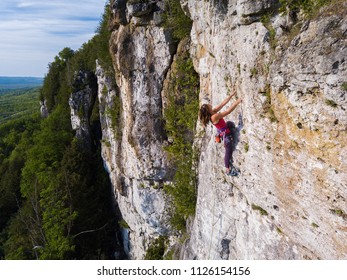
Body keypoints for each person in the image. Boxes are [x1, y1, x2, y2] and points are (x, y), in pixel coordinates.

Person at [199, 90, 242, 175]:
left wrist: (231, 95)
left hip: (224, 128)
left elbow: (223, 103)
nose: (210, 104)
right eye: (208, 105)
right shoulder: (214, 116)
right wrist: (237, 102)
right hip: (226, 135)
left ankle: (229, 129)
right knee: (228, 150)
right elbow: (228, 111)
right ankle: (227, 168)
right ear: (208, 109)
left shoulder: (213, 111)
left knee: (230, 124)